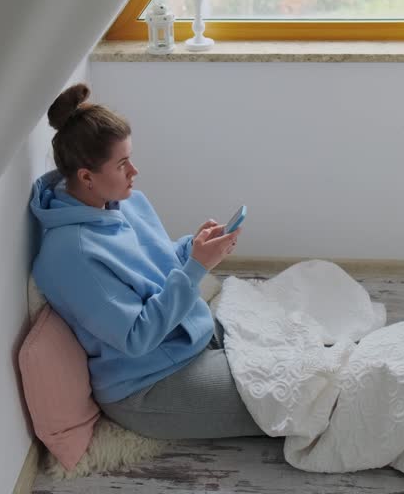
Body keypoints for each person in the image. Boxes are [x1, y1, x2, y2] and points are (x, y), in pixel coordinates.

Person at [29, 83, 264, 439]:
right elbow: (137, 338)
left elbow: (156, 265)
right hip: (149, 383)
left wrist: (193, 248)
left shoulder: (125, 202)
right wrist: (198, 268)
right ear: (87, 177)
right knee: (298, 398)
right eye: (122, 164)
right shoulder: (70, 254)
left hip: (191, 336)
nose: (134, 171)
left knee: (305, 351)